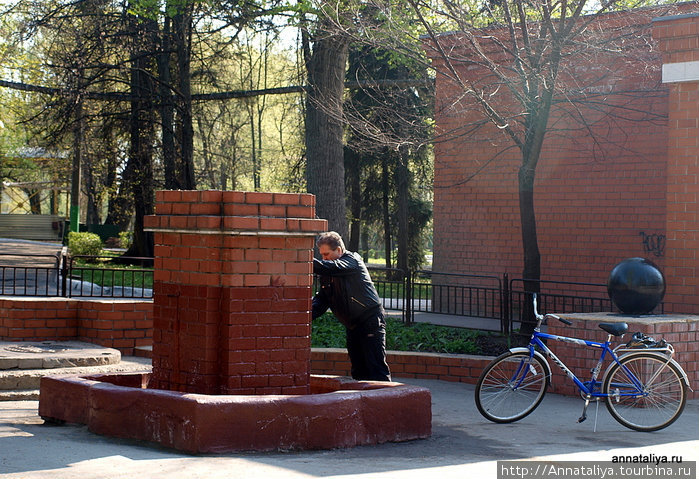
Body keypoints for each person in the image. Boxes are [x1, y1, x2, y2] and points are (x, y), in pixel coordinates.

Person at [312, 231, 391, 382]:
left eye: (327, 254)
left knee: (376, 369)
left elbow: (335, 267)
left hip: (370, 321)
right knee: (358, 370)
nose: (324, 259)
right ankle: (363, 404)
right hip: (352, 325)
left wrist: (304, 261)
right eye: (321, 255)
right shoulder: (328, 273)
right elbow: (322, 301)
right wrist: (303, 315)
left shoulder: (352, 261)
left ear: (339, 251)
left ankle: (385, 403)